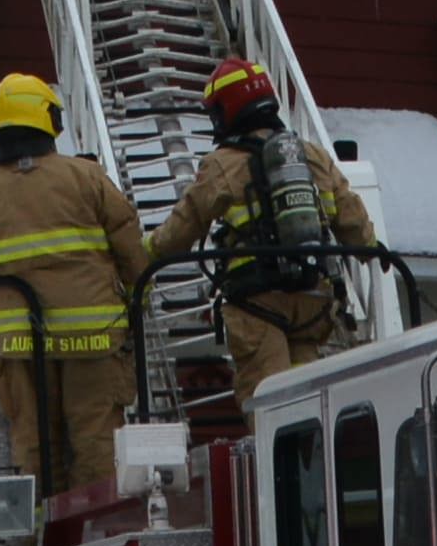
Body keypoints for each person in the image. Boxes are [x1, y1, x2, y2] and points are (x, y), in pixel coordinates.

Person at [0, 72, 150, 499]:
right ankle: (95, 526)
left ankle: (43, 537)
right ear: (47, 119)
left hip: (21, 345)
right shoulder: (87, 178)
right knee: (95, 443)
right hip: (93, 340)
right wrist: (138, 296)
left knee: (35, 445)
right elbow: (129, 243)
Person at [147, 59, 376, 401]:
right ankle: (308, 454)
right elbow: (353, 221)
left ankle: (279, 455)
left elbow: (182, 228)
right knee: (310, 399)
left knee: (270, 401)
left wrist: (144, 254)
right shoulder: (311, 155)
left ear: (227, 109)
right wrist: (374, 251)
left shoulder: (222, 164)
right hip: (313, 298)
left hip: (257, 301)